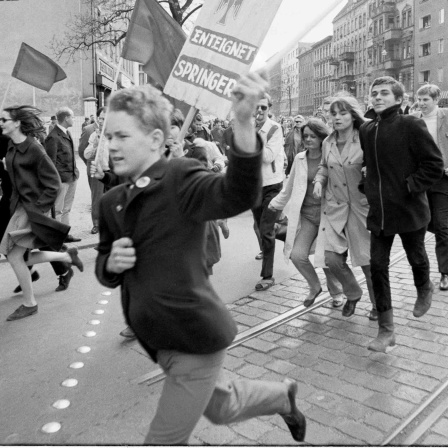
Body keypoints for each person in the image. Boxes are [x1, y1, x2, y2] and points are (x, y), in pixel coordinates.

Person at [95, 75, 306, 445]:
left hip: (193, 336)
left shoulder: (179, 177)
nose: (111, 145)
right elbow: (105, 271)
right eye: (108, 136)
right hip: (158, 343)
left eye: (122, 136)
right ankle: (281, 396)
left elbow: (237, 193)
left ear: (157, 140)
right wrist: (111, 264)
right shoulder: (110, 202)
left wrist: (242, 123)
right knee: (221, 409)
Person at [360, 76, 444, 352]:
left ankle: (424, 287)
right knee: (377, 267)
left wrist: (409, 186)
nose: (378, 97)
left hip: (409, 208)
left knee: (416, 256)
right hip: (380, 212)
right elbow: (371, 166)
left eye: (384, 93)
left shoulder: (411, 124)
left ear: (399, 99)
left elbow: (433, 164)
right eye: (374, 93)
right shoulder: (368, 129)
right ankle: (386, 329)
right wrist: (368, 186)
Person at [0, 105, 83, 321]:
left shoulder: (34, 148)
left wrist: (39, 208)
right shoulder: (11, 146)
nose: (0, 123)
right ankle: (66, 256)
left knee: (14, 254)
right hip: (17, 206)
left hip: (30, 208)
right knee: (19, 255)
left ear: (17, 123)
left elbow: (53, 183)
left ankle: (30, 303)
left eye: (4, 119)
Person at [268, 118, 344, 308]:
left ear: (322, 137)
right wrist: (275, 204)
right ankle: (314, 286)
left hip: (329, 216)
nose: (308, 139)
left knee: (325, 258)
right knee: (297, 255)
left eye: (313, 136)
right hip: (308, 216)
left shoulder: (331, 157)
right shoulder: (300, 158)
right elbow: (289, 186)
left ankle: (336, 292)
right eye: (305, 136)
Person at [313, 97, 377, 320]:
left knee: (368, 262)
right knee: (331, 259)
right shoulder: (327, 142)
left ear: (353, 115)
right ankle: (353, 293)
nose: (337, 118)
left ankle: (378, 305)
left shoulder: (365, 139)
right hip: (335, 208)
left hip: (361, 209)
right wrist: (319, 181)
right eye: (334, 114)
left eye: (343, 113)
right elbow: (323, 166)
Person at [413, 84, 448, 290]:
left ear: (436, 100)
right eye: (420, 99)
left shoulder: (445, 116)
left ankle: (445, 273)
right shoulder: (413, 120)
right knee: (420, 226)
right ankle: (423, 275)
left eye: (426, 99)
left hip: (442, 179)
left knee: (443, 226)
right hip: (420, 179)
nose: (422, 103)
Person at [252, 93, 284, 290]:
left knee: (265, 229)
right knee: (260, 227)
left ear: (269, 108)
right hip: (255, 186)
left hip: (272, 185)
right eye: (256, 107)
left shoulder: (274, 128)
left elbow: (268, 156)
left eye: (263, 107)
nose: (259, 111)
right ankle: (285, 229)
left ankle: (267, 276)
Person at [45, 107, 81, 243]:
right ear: (66, 118)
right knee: (58, 210)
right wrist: (53, 182)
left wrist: (75, 171)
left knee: (67, 208)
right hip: (61, 179)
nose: (74, 119)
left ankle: (65, 235)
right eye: (72, 117)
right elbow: (50, 163)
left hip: (71, 177)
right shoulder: (53, 137)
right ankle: (56, 236)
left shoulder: (67, 133)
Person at [84, 107, 109, 234]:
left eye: (104, 119)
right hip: (98, 172)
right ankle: (96, 224)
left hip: (111, 172)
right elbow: (86, 154)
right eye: (100, 118)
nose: (101, 121)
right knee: (97, 198)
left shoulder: (116, 135)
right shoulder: (94, 135)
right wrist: (95, 145)